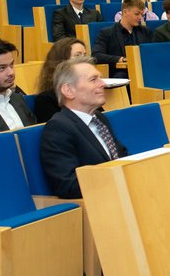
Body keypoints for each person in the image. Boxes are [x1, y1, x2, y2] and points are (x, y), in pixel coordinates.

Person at [40, 57, 126, 199]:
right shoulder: (58, 128)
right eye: (93, 79)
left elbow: (121, 156)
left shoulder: (100, 118)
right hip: (97, 202)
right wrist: (114, 178)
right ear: (68, 90)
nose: (102, 84)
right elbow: (67, 185)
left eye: (100, 78)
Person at [92, 0, 153, 78]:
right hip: (120, 73)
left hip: (143, 71)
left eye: (142, 14)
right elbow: (96, 55)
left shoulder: (146, 31)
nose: (140, 18)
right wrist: (121, 59)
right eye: (137, 14)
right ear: (124, 12)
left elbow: (152, 53)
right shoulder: (107, 33)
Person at [33, 37, 88, 123]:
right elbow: (57, 130)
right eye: (77, 55)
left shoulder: (88, 89)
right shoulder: (46, 99)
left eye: (85, 55)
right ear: (61, 62)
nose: (85, 60)